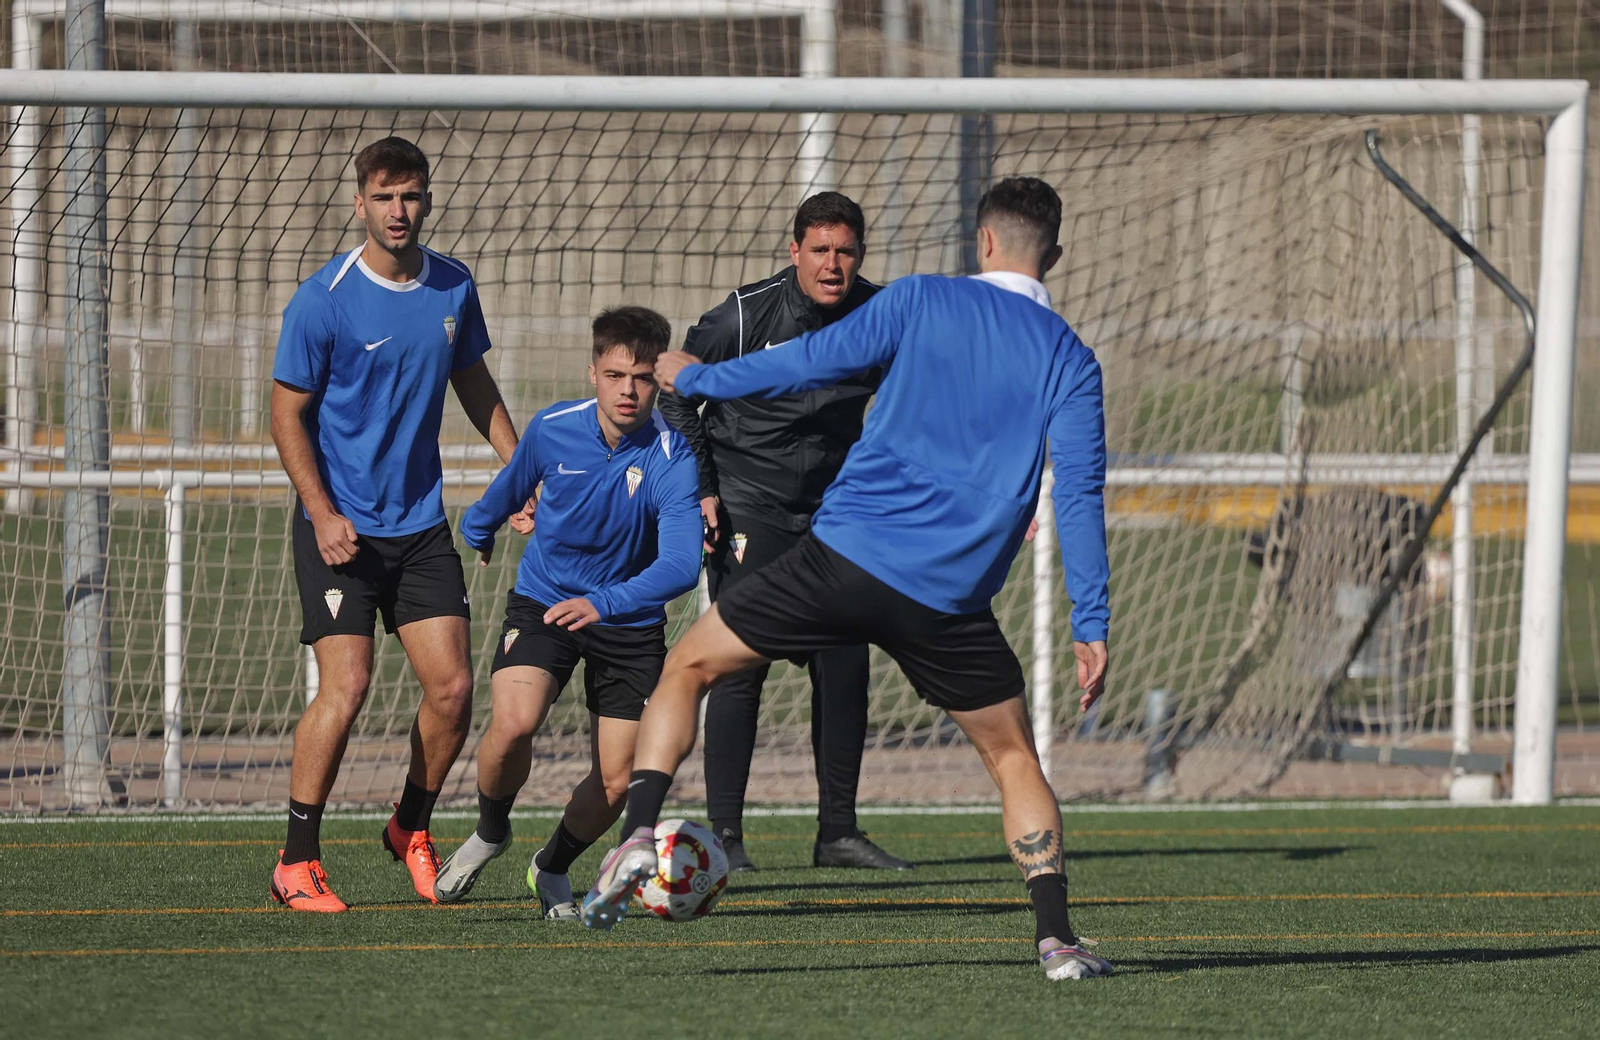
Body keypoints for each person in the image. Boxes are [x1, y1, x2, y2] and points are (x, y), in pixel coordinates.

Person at [584, 177, 1115, 983]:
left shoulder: (922, 300)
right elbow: (1077, 493)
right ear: (1057, 255)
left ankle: (636, 836)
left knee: (688, 666)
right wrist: (1091, 622)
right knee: (1014, 758)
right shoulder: (1072, 360)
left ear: (983, 243)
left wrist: (697, 379)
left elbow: (803, 364)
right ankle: (1057, 940)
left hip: (843, 561)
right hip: (949, 601)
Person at [267, 137, 519, 912]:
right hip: (339, 529)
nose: (398, 211)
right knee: (347, 686)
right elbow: (286, 414)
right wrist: (322, 512)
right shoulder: (325, 297)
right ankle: (296, 861)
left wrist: (521, 473)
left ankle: (409, 826)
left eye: (410, 196)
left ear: (428, 199)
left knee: (452, 691)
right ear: (359, 203)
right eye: (383, 197)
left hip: (419, 526)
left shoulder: (453, 286)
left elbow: (474, 383)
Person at [659, 191, 909, 872]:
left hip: (833, 516)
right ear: (794, 250)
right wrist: (704, 488)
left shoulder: (883, 314)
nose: (833, 264)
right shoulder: (744, 314)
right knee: (740, 664)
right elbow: (673, 392)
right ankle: (726, 841)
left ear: (861, 255)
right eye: (820, 250)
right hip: (748, 506)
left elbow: (920, 395)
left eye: (846, 252)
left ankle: (837, 834)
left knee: (845, 662)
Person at [430, 306, 701, 917]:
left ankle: (551, 867)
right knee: (514, 723)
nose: (628, 390)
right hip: (546, 603)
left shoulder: (672, 455)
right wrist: (480, 529)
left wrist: (604, 603)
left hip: (627, 623)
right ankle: (490, 831)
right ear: (593, 373)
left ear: (659, 379)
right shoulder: (553, 429)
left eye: (641, 377)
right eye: (614, 375)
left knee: (619, 779)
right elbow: (504, 492)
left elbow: (682, 565)